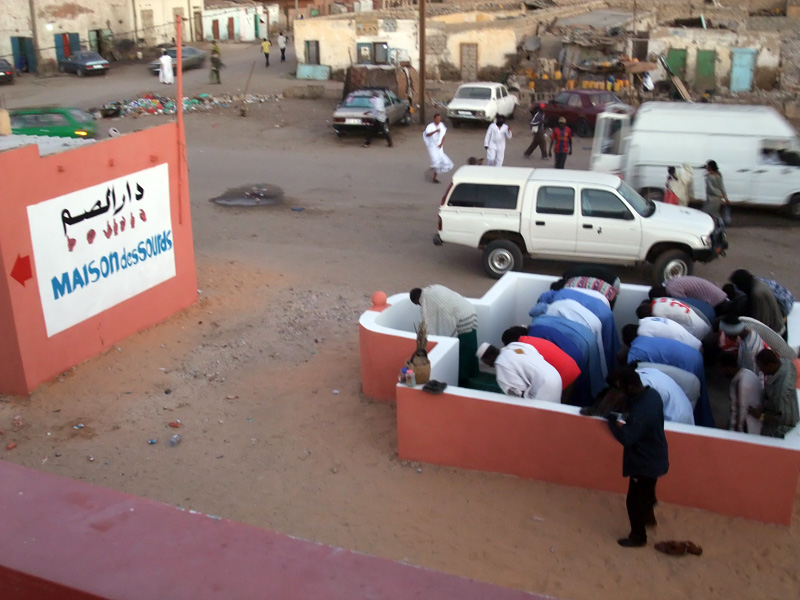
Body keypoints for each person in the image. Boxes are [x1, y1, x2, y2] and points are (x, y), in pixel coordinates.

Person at [605, 367, 669, 548]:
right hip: (656, 455)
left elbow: (627, 437)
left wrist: (611, 421)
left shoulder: (643, 410)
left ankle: (638, 536)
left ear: (631, 388)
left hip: (644, 461)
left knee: (634, 500)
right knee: (647, 491)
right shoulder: (652, 396)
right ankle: (649, 517)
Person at [410, 285, 478, 386]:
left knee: (463, 352)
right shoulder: (432, 289)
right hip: (470, 312)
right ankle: (471, 374)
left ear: (417, 299)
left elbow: (430, 322)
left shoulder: (426, 300)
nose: (420, 305)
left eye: (418, 304)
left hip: (462, 321)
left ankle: (462, 380)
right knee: (469, 349)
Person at [502, 326, 581, 398]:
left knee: (550, 404)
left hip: (564, 373)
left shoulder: (523, 348)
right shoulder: (531, 340)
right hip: (572, 367)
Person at [476, 342, 563, 403]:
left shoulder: (501, 363)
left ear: (488, 358)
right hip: (555, 376)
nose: (490, 366)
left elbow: (518, 393)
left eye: (487, 363)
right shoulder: (516, 346)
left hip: (543, 387)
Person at [749, 349, 799, 438]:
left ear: (770, 366)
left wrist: (761, 416)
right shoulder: (786, 363)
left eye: (761, 367)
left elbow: (784, 420)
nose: (760, 370)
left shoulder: (781, 391)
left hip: (784, 425)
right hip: (779, 406)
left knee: (761, 438)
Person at [728, 269, 785, 334]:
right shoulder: (756, 283)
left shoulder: (757, 294)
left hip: (774, 332)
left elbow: (761, 322)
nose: (739, 289)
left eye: (738, 286)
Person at [718, 352, 762, 434]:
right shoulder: (748, 373)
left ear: (728, 367)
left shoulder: (740, 382)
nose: (721, 372)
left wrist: (736, 431)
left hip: (746, 429)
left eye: (722, 369)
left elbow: (741, 410)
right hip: (755, 425)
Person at [637, 297, 711, 341]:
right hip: (699, 321)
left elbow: (668, 328)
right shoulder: (659, 300)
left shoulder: (657, 313)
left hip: (696, 329)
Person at [659, 276, 729, 314]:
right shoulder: (670, 282)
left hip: (717, 302)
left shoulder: (672, 289)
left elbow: (684, 305)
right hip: (718, 294)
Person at [625, 319, 702, 352]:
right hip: (695, 341)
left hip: (692, 349)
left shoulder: (643, 332)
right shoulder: (645, 320)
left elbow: (651, 350)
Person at [423, 113, 453, 183]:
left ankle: (434, 177)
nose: (438, 120)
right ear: (434, 119)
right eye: (437, 119)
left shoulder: (441, 125)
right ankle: (433, 173)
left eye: (439, 119)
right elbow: (427, 134)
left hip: (439, 146)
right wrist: (435, 131)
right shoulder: (430, 126)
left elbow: (443, 136)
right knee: (436, 161)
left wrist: (441, 144)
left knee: (442, 161)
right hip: (432, 146)